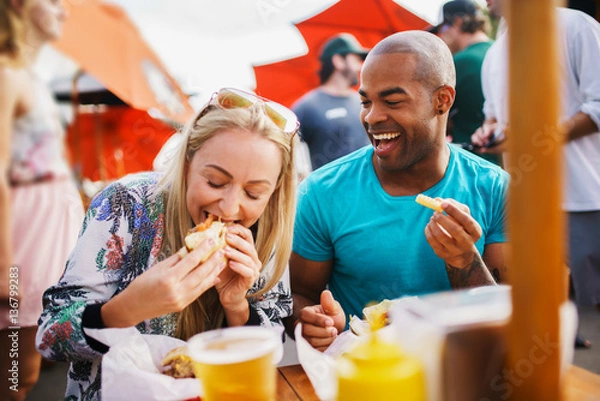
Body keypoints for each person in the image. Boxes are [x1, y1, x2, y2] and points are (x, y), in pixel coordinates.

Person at [36, 87, 298, 399]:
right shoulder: (126, 204)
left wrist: (237, 305)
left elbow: (270, 348)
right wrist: (127, 308)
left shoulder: (264, 229)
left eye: (253, 193)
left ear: (273, 193)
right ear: (188, 163)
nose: (229, 208)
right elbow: (50, 337)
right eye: (215, 182)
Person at [287, 31, 509, 351]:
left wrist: (463, 260)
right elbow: (299, 295)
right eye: (365, 101)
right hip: (367, 375)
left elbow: (508, 316)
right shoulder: (321, 193)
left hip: (466, 373)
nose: (372, 116)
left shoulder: (494, 187)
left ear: (442, 100)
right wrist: (311, 321)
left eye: (392, 101)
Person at [471, 3, 600, 347]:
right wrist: (489, 134)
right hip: (526, 203)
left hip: (587, 194)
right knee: (551, 315)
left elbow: (599, 105)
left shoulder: (577, 26)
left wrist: (534, 138)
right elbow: (493, 117)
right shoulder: (495, 53)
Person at [0, 1, 84, 400]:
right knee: (15, 377)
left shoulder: (25, 76)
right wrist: (4, 268)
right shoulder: (5, 76)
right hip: (18, 259)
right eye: (52, 2)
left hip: (35, 254)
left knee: (19, 375)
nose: (64, 12)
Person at [429, 0, 500, 166]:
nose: (441, 37)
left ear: (458, 23)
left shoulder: (458, 62)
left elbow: (431, 120)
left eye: (442, 29)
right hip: (506, 163)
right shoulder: (500, 50)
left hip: (474, 165)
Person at [292, 32, 370, 170]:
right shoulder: (307, 106)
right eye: (356, 60)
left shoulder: (365, 102)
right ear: (338, 61)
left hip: (368, 188)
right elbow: (287, 152)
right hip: (327, 190)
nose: (360, 67)